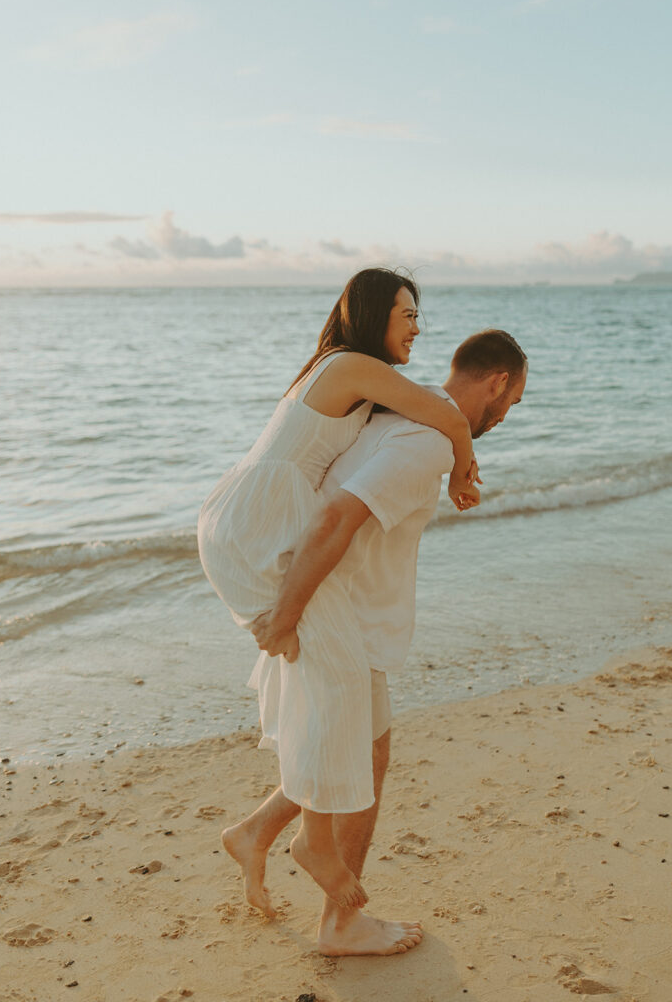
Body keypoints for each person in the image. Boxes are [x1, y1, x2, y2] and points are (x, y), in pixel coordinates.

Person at [223, 328, 528, 956]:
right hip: (339, 614)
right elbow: (336, 515)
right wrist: (290, 613)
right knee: (360, 755)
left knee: (355, 749)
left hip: (335, 605)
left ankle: (255, 832)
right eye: (513, 401)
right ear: (497, 382)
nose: (507, 414)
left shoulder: (391, 414)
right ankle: (340, 922)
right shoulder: (424, 443)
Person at [197, 268, 481, 910]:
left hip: (244, 520)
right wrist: (464, 468)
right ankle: (312, 843)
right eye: (407, 314)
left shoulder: (342, 369)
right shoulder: (352, 362)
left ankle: (255, 834)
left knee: (337, 679)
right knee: (344, 682)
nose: (417, 328)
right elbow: (444, 412)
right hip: (254, 526)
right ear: (375, 313)